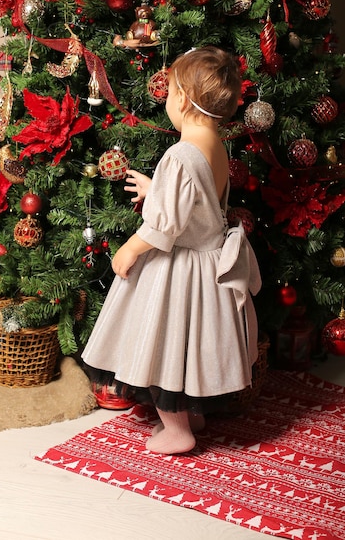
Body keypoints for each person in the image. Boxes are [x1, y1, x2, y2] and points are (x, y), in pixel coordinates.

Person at [82, 46, 261, 455]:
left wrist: (129, 248)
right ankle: (191, 412)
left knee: (163, 345)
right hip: (208, 262)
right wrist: (156, 189)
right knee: (192, 345)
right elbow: (199, 203)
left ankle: (178, 430)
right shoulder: (214, 146)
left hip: (179, 265)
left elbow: (165, 225)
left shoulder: (179, 154)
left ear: (181, 98)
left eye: (168, 94)